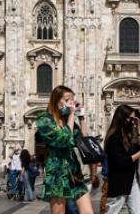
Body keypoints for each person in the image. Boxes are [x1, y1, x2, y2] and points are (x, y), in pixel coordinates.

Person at [36, 85, 94, 214]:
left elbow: (85, 140)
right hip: (57, 172)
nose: (71, 103)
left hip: (74, 172)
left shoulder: (69, 121)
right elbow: (64, 139)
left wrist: (81, 117)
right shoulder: (44, 120)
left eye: (73, 99)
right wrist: (72, 115)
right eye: (67, 99)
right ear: (56, 100)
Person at [103, 104, 140, 214]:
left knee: (138, 212)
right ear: (121, 118)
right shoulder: (114, 137)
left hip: (131, 180)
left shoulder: (127, 136)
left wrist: (138, 128)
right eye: (130, 119)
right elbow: (120, 162)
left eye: (134, 119)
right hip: (119, 182)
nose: (132, 122)